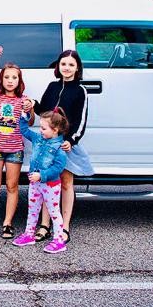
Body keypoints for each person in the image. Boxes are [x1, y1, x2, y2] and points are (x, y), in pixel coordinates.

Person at [31, 49, 94, 246]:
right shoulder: (52, 86)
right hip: (48, 144)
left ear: (77, 68)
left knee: (66, 183)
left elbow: (81, 121)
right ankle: (44, 225)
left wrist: (71, 140)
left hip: (65, 144)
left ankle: (64, 226)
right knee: (47, 182)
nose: (66, 68)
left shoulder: (80, 91)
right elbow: (44, 111)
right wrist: (33, 104)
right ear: (58, 66)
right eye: (63, 64)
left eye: (71, 65)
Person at [0, 47, 31, 240]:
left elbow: (30, 122)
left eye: (14, 77)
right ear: (1, 80)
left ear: (19, 80)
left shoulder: (23, 100)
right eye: (6, 77)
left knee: (12, 186)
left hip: (15, 150)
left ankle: (7, 223)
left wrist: (30, 109)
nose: (10, 81)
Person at [11, 110, 70, 254]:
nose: (40, 130)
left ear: (55, 130)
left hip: (50, 185)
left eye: (44, 128)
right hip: (35, 183)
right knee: (32, 210)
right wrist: (24, 116)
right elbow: (24, 130)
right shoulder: (38, 138)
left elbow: (58, 168)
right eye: (40, 127)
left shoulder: (59, 148)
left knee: (54, 212)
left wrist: (41, 175)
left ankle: (59, 240)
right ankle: (29, 234)